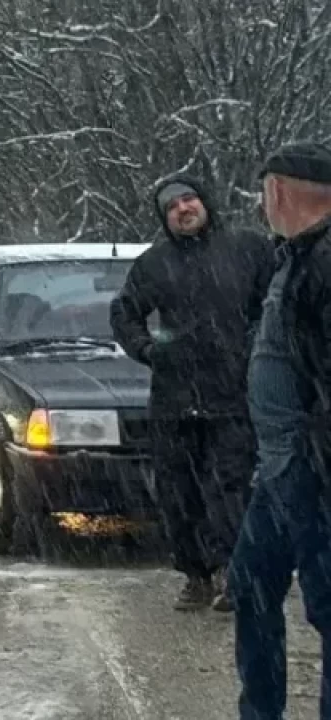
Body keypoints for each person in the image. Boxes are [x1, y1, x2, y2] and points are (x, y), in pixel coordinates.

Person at [110, 172, 274, 611]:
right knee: (178, 493)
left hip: (233, 396)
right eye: (172, 207)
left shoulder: (249, 249)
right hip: (175, 400)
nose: (184, 209)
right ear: (165, 219)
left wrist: (258, 346)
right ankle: (195, 575)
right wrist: (147, 349)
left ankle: (233, 575)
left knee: (230, 489)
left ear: (205, 203)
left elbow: (275, 302)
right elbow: (124, 314)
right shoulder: (153, 264)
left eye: (189, 200)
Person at [229, 140, 331, 720]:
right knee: (249, 582)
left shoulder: (325, 262)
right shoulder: (295, 255)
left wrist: (312, 458)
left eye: (263, 193)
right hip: (281, 472)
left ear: (278, 191)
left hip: (313, 470)